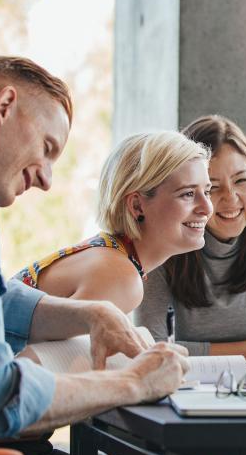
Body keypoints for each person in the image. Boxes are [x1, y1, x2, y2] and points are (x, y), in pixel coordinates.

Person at [0, 56, 188, 455]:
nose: (47, 179)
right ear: (5, 105)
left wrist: (91, 314)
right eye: (47, 148)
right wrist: (132, 382)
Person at [136, 115, 246, 455]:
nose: (230, 199)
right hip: (179, 394)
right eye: (212, 186)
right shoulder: (165, 241)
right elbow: (152, 351)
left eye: (242, 180)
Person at [12, 130, 214, 317]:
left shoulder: (112, 255)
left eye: (206, 191)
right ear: (137, 205)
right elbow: (35, 354)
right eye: (187, 194)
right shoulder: (120, 278)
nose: (207, 208)